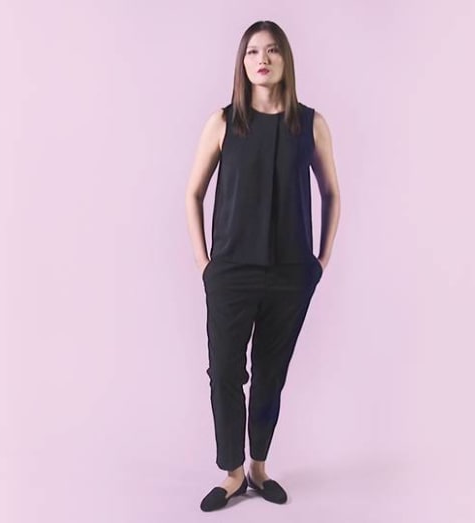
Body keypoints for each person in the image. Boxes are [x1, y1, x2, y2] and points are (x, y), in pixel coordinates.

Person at [184, 20, 341, 512]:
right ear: (243, 62)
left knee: (272, 374)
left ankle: (258, 467)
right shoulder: (223, 122)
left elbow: (332, 193)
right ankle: (232, 473)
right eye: (253, 51)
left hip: (290, 274)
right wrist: (206, 264)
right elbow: (193, 193)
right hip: (230, 272)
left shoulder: (310, 124)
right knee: (225, 372)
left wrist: (319, 262)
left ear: (285, 60)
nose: (263, 59)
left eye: (272, 50)